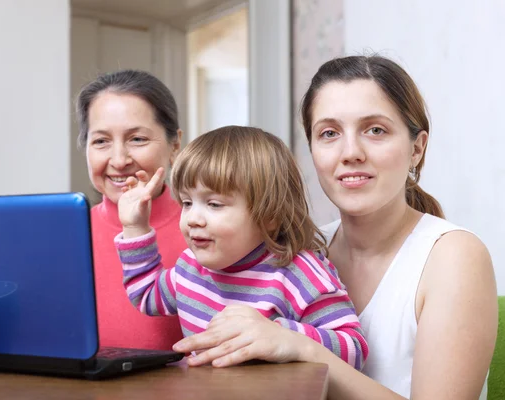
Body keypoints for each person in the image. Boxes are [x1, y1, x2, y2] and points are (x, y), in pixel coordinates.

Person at [170, 56, 497, 400]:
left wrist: (303, 347)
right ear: (311, 149)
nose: (350, 152)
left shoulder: (454, 257)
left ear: (417, 148)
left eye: (375, 130)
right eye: (329, 133)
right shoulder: (299, 253)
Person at [113, 126, 369, 370]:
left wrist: (279, 333)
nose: (192, 218)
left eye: (214, 204)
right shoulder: (190, 266)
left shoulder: (298, 274)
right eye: (187, 202)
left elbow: (354, 350)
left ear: (269, 216)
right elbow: (147, 295)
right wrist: (135, 227)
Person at [75, 70, 185, 350]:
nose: (119, 160)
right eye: (101, 141)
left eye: (137, 139)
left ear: (175, 145)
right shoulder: (64, 238)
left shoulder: (205, 229)